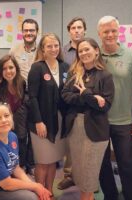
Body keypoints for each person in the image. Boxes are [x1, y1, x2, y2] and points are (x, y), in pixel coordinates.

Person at [62, 37, 114, 200]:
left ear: (96, 51)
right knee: (79, 174)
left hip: (96, 130)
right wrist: (90, 98)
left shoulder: (105, 75)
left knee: (89, 177)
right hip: (75, 127)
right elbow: (65, 95)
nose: (84, 53)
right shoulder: (74, 72)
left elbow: (105, 106)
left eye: (87, 49)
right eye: (81, 51)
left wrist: (84, 93)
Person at [98, 16, 132, 200]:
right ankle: (110, 195)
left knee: (127, 163)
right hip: (99, 121)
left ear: (119, 31)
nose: (110, 34)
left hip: (124, 120)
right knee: (102, 164)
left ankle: (130, 195)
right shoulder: (94, 56)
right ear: (99, 34)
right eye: (106, 31)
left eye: (113, 30)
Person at [28, 33, 68, 194]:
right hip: (41, 121)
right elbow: (32, 97)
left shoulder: (65, 66)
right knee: (43, 161)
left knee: (52, 160)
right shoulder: (37, 67)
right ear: (42, 49)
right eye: (49, 46)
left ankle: (49, 191)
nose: (53, 49)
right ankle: (40, 193)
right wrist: (38, 121)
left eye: (56, 45)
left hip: (59, 120)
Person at [58, 16, 87, 190]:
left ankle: (88, 177)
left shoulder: (90, 47)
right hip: (68, 102)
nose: (76, 30)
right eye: (73, 28)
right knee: (70, 141)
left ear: (84, 30)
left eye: (79, 27)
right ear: (69, 31)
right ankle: (69, 175)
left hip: (87, 102)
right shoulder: (62, 51)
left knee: (87, 142)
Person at [9, 18, 39, 172]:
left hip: (37, 98)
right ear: (22, 32)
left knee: (33, 133)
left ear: (36, 32)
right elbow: (9, 71)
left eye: (32, 30)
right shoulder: (14, 50)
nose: (29, 33)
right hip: (19, 96)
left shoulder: (42, 50)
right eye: (26, 30)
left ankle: (31, 164)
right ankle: (19, 165)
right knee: (20, 134)